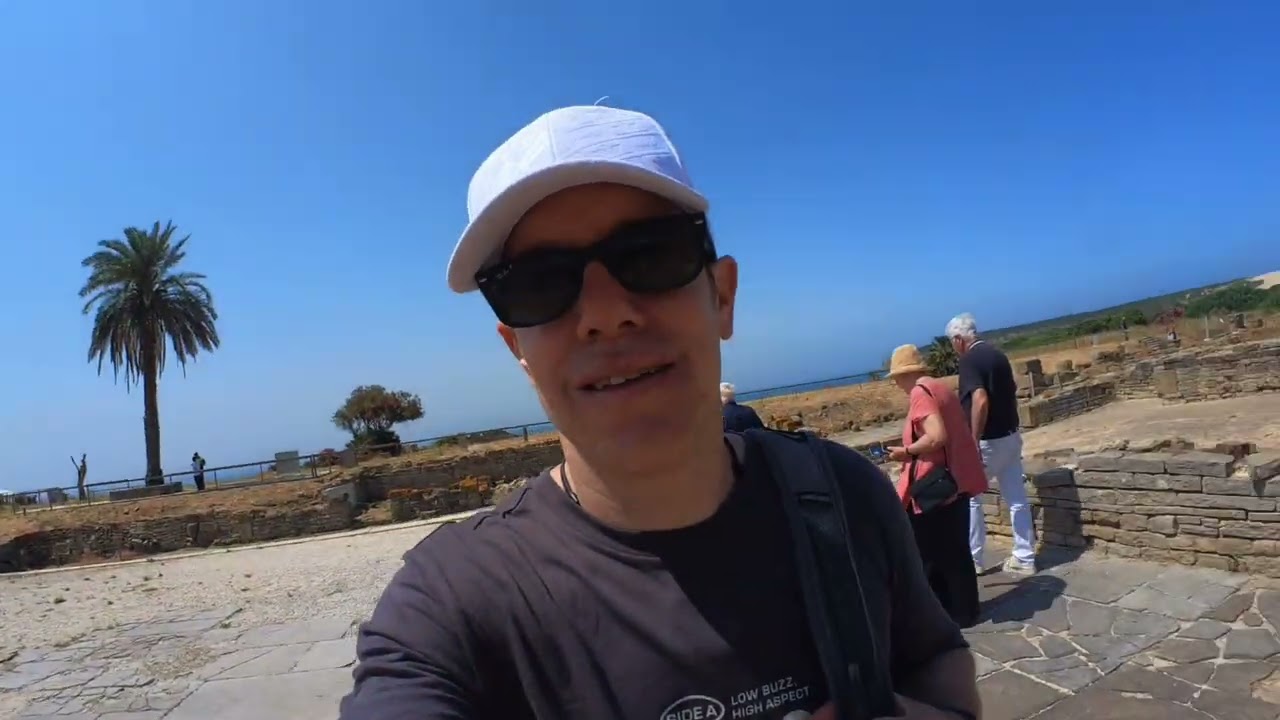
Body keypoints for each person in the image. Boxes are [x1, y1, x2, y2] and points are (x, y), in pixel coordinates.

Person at [340, 104, 980, 720]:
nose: (603, 313)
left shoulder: (847, 497)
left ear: (722, 297)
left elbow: (934, 657)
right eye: (539, 284)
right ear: (518, 350)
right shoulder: (451, 604)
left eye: (648, 254)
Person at [884, 345, 987, 628]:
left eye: (895, 378)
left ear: (904, 374)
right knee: (955, 551)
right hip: (956, 480)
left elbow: (936, 436)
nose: (896, 384)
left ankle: (938, 614)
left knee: (926, 553)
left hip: (934, 486)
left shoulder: (919, 393)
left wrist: (906, 452)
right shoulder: (939, 387)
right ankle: (965, 611)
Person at [945, 313, 1037, 575]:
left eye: (953, 342)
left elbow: (981, 399)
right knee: (1017, 499)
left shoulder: (970, 361)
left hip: (988, 442)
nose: (954, 347)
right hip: (1010, 436)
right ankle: (1025, 557)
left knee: (970, 498)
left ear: (959, 339)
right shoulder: (998, 355)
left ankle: (972, 559)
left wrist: (973, 439)